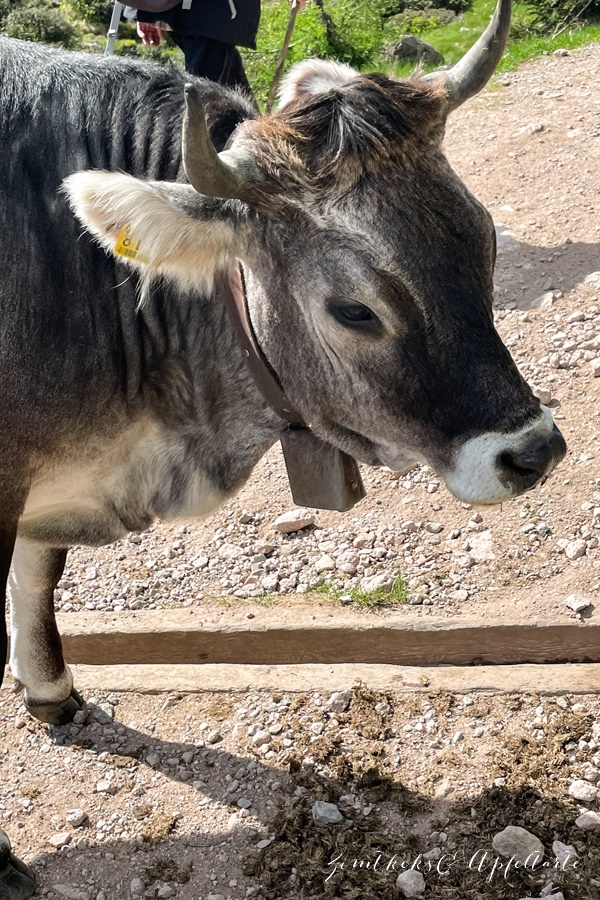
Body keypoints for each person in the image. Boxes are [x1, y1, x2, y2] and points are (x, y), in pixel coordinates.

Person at [131, 0, 306, 91]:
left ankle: (256, 149)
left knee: (223, 91)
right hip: (211, 13)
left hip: (204, 13)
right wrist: (146, 11)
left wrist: (147, 10)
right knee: (207, 101)